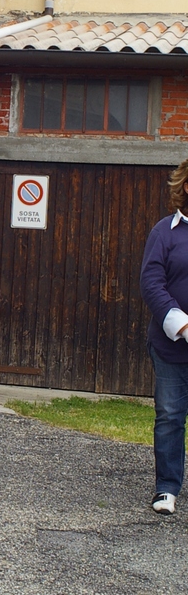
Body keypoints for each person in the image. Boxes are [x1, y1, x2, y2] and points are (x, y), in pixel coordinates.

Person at [141, 158, 188, 516]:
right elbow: (151, 283)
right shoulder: (165, 232)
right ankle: (167, 488)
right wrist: (183, 325)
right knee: (170, 415)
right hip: (171, 345)